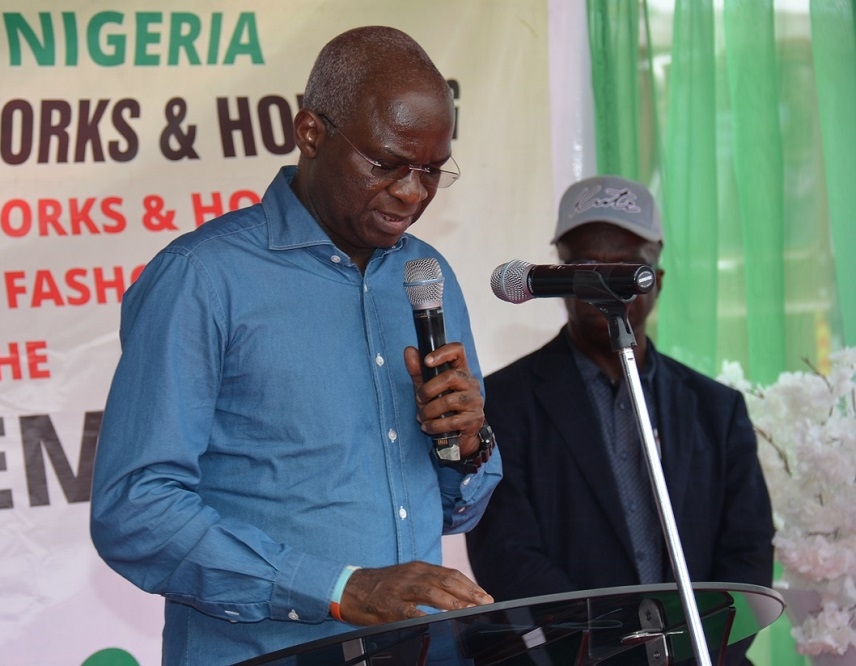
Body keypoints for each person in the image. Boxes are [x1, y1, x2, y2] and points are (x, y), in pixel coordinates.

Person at [90, 26, 502, 665]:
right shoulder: (203, 277)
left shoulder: (427, 277)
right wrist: (338, 589)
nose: (412, 192)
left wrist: (467, 445)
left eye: (430, 170)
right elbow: (135, 510)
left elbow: (455, 509)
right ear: (311, 132)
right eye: (387, 163)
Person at [465, 175, 774, 663]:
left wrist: (696, 650)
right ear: (558, 275)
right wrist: (612, 653)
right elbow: (507, 556)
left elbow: (748, 555)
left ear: (658, 277)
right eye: (587, 265)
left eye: (626, 265)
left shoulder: (717, 409)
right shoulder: (503, 403)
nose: (605, 280)